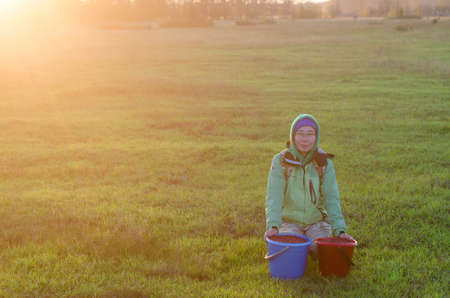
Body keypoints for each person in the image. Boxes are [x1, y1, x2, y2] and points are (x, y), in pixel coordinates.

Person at [264, 114, 354, 257]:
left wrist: (340, 230)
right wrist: (273, 226)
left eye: (310, 134)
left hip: (316, 222)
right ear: (293, 136)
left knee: (324, 252)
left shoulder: (324, 162)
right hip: (289, 222)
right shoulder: (280, 161)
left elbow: (332, 197)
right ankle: (295, 245)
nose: (305, 139)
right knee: (291, 252)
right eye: (300, 134)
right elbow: (274, 196)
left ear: (316, 137)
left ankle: (313, 245)